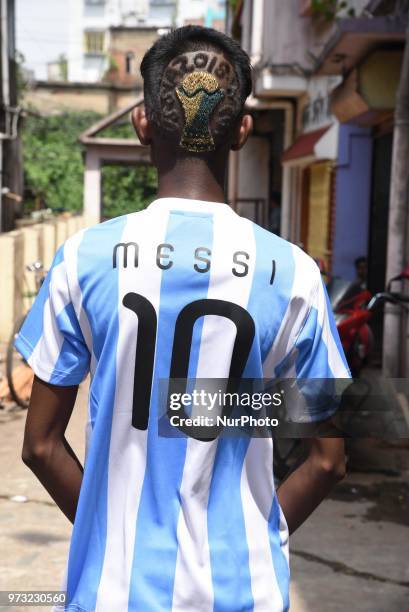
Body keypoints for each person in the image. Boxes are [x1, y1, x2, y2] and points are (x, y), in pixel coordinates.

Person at [16, 26, 350, 612]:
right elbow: (326, 458)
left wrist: (111, 542)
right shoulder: (294, 276)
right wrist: (257, 538)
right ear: (243, 131)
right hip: (241, 595)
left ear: (142, 122)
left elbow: (41, 446)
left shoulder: (83, 260)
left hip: (112, 594)